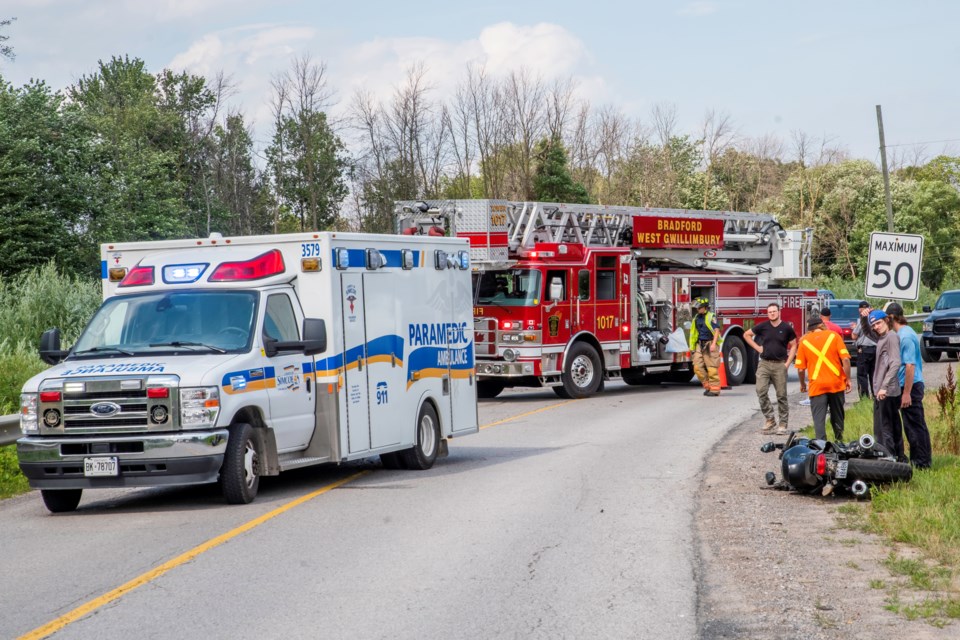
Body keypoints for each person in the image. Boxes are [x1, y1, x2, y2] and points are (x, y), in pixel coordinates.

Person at [887, 302, 933, 469]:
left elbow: (910, 366)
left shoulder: (905, 336)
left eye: (887, 319)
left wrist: (906, 393)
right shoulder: (904, 333)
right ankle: (919, 460)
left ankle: (922, 463)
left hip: (911, 386)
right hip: (908, 385)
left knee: (915, 426)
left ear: (892, 318)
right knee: (912, 425)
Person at [795, 315, 852, 441]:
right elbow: (846, 360)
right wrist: (848, 379)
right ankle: (839, 440)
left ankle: (821, 446)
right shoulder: (834, 336)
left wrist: (802, 384)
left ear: (809, 328)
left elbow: (800, 369)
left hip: (817, 386)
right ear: (822, 325)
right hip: (836, 383)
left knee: (818, 419)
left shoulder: (804, 341)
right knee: (837, 415)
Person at [744, 302, 798, 434]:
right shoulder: (763, 326)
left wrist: (787, 363)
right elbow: (746, 334)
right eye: (769, 312)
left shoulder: (786, 328)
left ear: (779, 312)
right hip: (764, 363)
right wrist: (758, 348)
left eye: (774, 311)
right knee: (760, 390)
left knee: (781, 395)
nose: (772, 314)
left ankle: (783, 424)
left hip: (780, 364)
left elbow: (794, 345)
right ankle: (770, 419)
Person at [869, 309, 904, 459]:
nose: (876, 327)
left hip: (887, 391)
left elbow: (896, 363)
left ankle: (889, 459)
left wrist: (884, 387)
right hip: (884, 391)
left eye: (878, 323)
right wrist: (866, 318)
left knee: (885, 429)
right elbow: (866, 332)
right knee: (890, 426)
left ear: (886, 321)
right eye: (874, 325)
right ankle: (898, 457)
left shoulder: (891, 337)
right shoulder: (882, 337)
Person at [688, 297, 722, 397]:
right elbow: (694, 333)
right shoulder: (696, 318)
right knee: (697, 368)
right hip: (699, 344)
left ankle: (715, 390)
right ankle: (708, 386)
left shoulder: (711, 316)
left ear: (704, 307)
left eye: (698, 308)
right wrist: (693, 347)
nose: (697, 310)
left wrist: (713, 344)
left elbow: (716, 331)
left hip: (709, 343)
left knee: (711, 368)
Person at [851, 301, 879, 398]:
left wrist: (854, 328)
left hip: (864, 351)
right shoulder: (875, 319)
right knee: (874, 374)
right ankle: (876, 396)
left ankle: (864, 397)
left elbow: (854, 336)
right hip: (876, 350)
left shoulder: (862, 319)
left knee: (862, 375)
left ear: (860, 310)